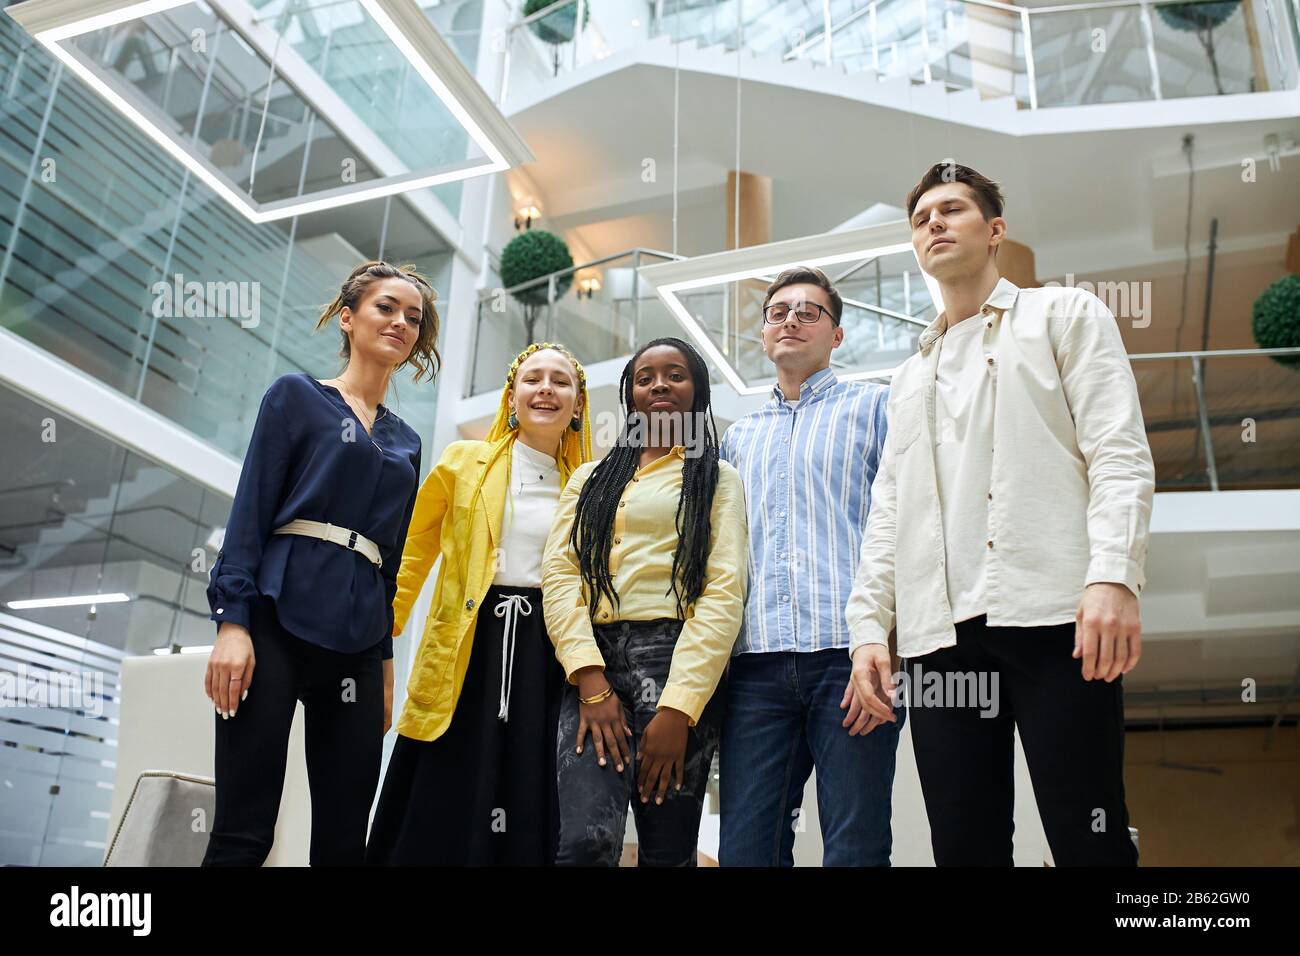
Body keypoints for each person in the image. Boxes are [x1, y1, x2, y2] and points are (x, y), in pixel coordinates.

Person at [846, 162, 1153, 866]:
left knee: (1090, 840)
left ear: (995, 231)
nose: (934, 223)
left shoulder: (1066, 314)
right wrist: (868, 629)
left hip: (1056, 617)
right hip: (936, 638)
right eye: (921, 218)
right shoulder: (907, 377)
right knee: (964, 850)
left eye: (951, 210)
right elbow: (888, 511)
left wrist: (1113, 575)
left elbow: (1117, 452)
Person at [202, 260, 437, 865]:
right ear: (348, 317)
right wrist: (232, 623)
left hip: (357, 644)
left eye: (413, 317)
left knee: (343, 845)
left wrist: (385, 664)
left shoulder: (408, 442)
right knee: (244, 831)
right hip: (274, 621)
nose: (401, 322)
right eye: (386, 307)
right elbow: (250, 511)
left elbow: (390, 563)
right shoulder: (296, 397)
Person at [365, 343, 592, 865]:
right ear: (511, 396)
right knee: (446, 778)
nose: (546, 389)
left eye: (561, 382)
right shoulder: (462, 462)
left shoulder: (589, 486)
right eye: (532, 379)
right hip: (466, 646)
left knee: (529, 784)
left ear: (579, 404)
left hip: (547, 656)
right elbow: (411, 554)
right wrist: (377, 641)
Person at [717, 267, 904, 867]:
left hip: (850, 659)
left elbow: (905, 525)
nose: (791, 320)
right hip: (755, 667)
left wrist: (888, 644)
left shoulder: (876, 407)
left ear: (837, 335)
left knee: (855, 847)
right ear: (764, 334)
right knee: (746, 852)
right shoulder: (737, 439)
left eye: (808, 311)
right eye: (777, 312)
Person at [542, 337, 746, 866]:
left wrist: (679, 708)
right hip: (592, 663)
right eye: (645, 377)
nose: (659, 385)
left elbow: (724, 590)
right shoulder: (590, 479)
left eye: (676, 375)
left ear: (697, 390)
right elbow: (560, 575)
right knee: (584, 843)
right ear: (629, 393)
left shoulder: (716, 478)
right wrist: (589, 679)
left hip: (677, 661)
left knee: (668, 851)